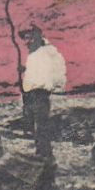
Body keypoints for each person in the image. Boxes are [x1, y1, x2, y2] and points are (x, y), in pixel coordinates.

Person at [19, 24, 67, 158]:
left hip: (41, 95)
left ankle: (45, 155)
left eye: (29, 38)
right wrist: (25, 70)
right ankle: (42, 154)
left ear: (36, 37)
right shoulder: (35, 54)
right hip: (32, 96)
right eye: (25, 39)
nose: (26, 42)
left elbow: (48, 73)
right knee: (36, 128)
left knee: (41, 127)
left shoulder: (45, 52)